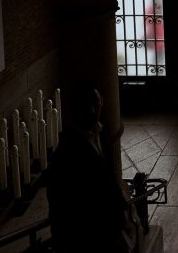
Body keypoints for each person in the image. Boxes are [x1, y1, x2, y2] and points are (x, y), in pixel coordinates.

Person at [46, 85, 130, 253]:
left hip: (110, 228)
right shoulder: (66, 153)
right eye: (95, 105)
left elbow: (109, 175)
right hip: (89, 234)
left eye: (99, 104)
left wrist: (122, 210)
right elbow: (61, 200)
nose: (97, 110)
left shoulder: (102, 132)